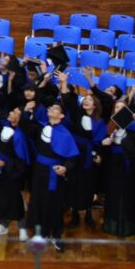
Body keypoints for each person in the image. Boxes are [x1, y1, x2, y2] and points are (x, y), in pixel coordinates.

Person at [25, 101, 79, 252]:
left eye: (55, 108)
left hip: (53, 173)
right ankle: (41, 234)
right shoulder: (42, 126)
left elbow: (72, 157)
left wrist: (65, 168)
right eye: (51, 107)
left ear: (61, 116)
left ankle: (56, 234)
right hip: (39, 171)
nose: (51, 108)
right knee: (37, 201)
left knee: (53, 204)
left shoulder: (65, 133)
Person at [60, 74, 107, 229]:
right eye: (85, 99)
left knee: (88, 186)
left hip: (89, 157)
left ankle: (87, 213)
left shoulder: (100, 122)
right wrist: (64, 82)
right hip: (75, 154)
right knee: (73, 184)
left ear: (95, 105)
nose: (86, 100)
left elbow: (99, 143)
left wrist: (97, 155)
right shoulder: (76, 115)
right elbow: (67, 100)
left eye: (90, 100)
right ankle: (74, 214)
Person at [0, 107, 31, 240]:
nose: (10, 112)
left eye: (14, 112)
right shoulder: (5, 128)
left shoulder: (19, 136)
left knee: (16, 200)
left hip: (14, 173)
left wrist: (5, 164)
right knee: (2, 199)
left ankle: (22, 227)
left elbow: (21, 162)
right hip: (1, 171)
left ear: (19, 119)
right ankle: (3, 226)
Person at [100, 100, 135, 236]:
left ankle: (127, 226)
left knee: (127, 193)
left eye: (122, 107)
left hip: (128, 164)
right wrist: (106, 142)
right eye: (116, 107)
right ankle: (111, 225)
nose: (118, 109)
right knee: (113, 192)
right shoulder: (111, 125)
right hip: (113, 163)